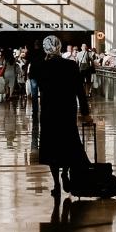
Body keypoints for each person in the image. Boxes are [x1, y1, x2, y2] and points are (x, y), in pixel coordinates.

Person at [31, 36, 91, 197]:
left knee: (51, 147)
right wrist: (85, 112)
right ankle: (65, 172)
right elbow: (80, 91)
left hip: (50, 111)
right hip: (67, 110)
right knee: (68, 143)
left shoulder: (41, 66)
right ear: (59, 47)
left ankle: (56, 183)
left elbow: (36, 84)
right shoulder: (70, 65)